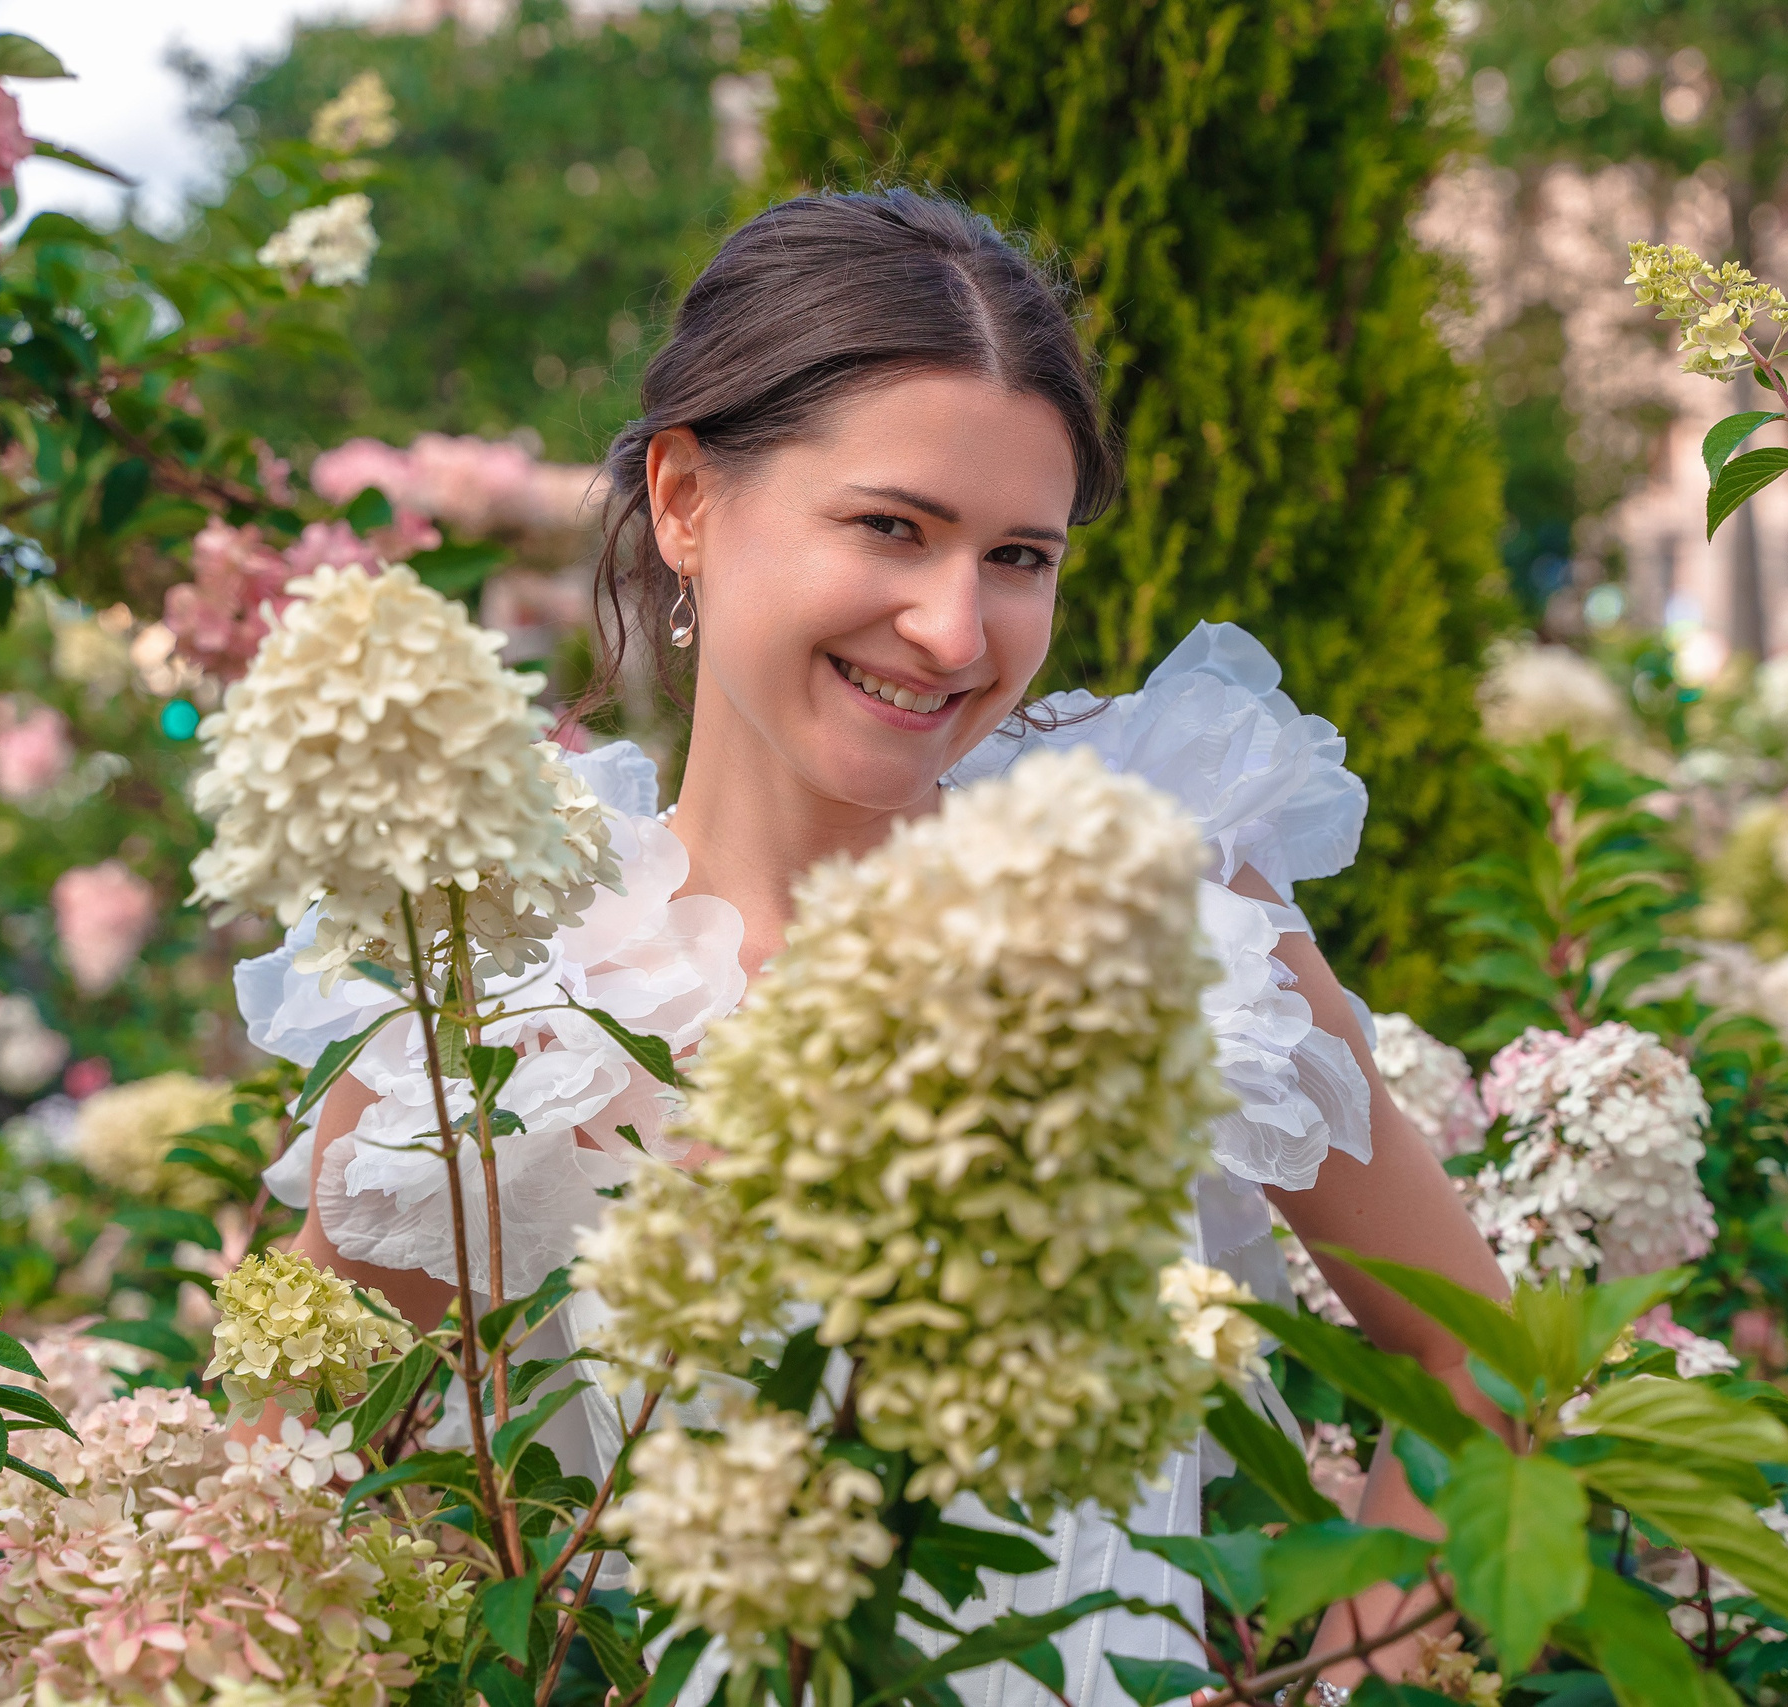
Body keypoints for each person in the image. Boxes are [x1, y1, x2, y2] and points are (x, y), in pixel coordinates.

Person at [237, 188, 1509, 1707]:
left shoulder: (1159, 909)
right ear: (689, 499)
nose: (957, 631)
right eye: (891, 528)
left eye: (1019, 557)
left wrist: (1341, 1688)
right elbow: (267, 1517)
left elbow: (1472, 1372)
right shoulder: (499, 996)